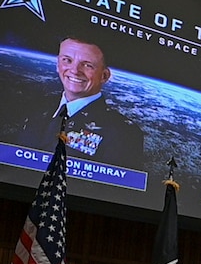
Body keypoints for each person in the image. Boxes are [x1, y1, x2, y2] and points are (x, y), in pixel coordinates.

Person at [14, 37, 145, 169]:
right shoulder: (36, 106)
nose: (75, 70)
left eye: (87, 65)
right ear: (57, 65)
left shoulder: (123, 133)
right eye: (67, 60)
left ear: (104, 76)